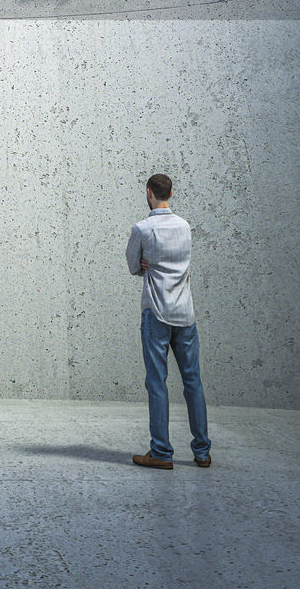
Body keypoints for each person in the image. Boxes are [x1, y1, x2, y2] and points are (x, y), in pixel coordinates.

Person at [125, 172, 211, 469]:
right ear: (170, 194)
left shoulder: (142, 229)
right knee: (193, 382)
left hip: (157, 313)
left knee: (157, 383)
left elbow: (132, 264)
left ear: (149, 192)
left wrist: (145, 264)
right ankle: (202, 452)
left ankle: (161, 452)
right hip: (185, 313)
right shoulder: (185, 227)